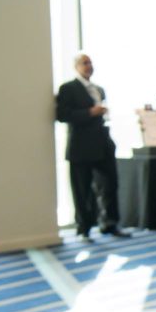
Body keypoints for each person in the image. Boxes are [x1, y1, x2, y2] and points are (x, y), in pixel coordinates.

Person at [55, 53, 129, 240]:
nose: (89, 66)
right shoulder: (68, 88)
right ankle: (84, 228)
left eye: (90, 62)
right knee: (82, 189)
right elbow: (62, 115)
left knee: (110, 184)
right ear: (76, 67)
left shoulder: (99, 89)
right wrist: (89, 112)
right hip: (81, 146)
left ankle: (110, 223)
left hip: (102, 142)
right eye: (84, 63)